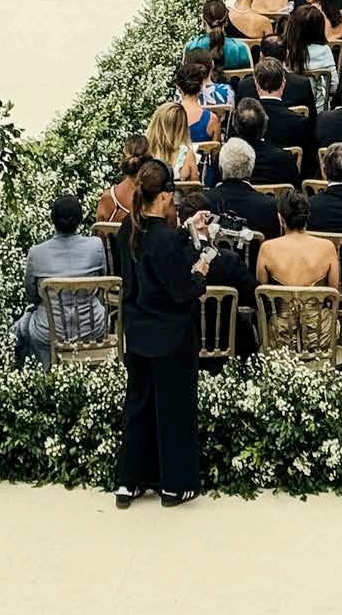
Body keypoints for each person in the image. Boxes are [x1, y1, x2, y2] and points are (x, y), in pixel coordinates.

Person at [115, 158, 212, 508]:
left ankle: (129, 481)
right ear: (165, 196)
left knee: (138, 407)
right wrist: (201, 270)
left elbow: (156, 253)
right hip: (170, 335)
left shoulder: (128, 229)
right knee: (174, 410)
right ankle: (174, 485)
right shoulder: (165, 240)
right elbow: (182, 289)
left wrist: (186, 230)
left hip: (137, 330)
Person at [12, 193, 107, 369]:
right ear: (79, 219)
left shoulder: (36, 253)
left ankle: (40, 372)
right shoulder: (95, 246)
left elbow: (32, 297)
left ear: (53, 220)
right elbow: (103, 283)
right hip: (92, 329)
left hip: (50, 333)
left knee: (24, 325)